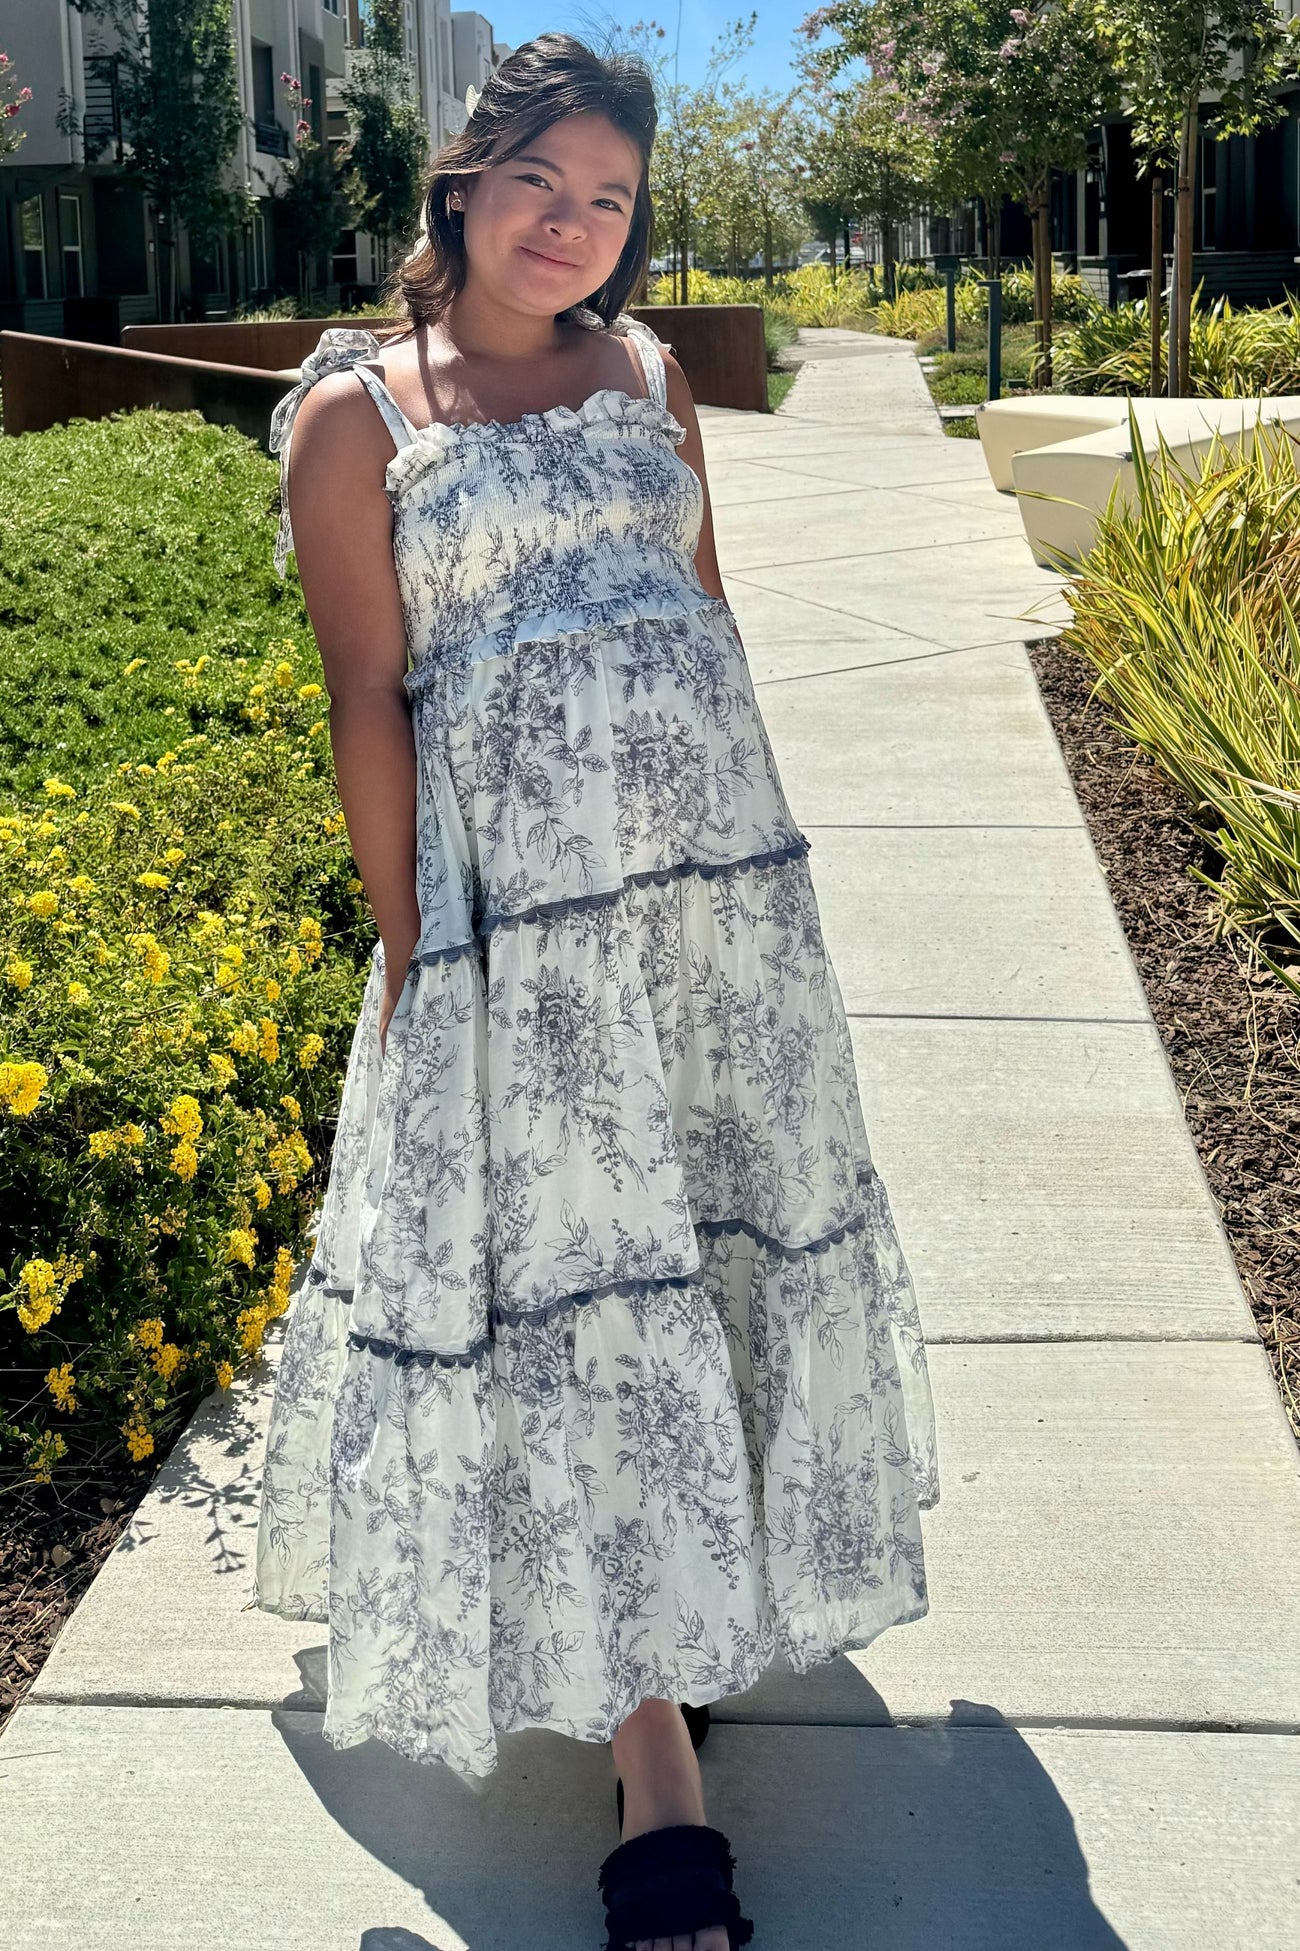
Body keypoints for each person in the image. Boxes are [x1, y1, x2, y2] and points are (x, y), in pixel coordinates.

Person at [250, 31, 940, 1951]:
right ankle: (655, 1767)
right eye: (540, 181)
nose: (572, 223)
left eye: (610, 198)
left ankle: (695, 1589)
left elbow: (705, 619)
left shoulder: (651, 379)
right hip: (528, 941)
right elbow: (369, 697)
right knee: (588, 1280)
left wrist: (765, 873)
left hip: (716, 917)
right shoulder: (357, 420)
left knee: (709, 1245)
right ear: (465, 182)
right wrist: (418, 950)